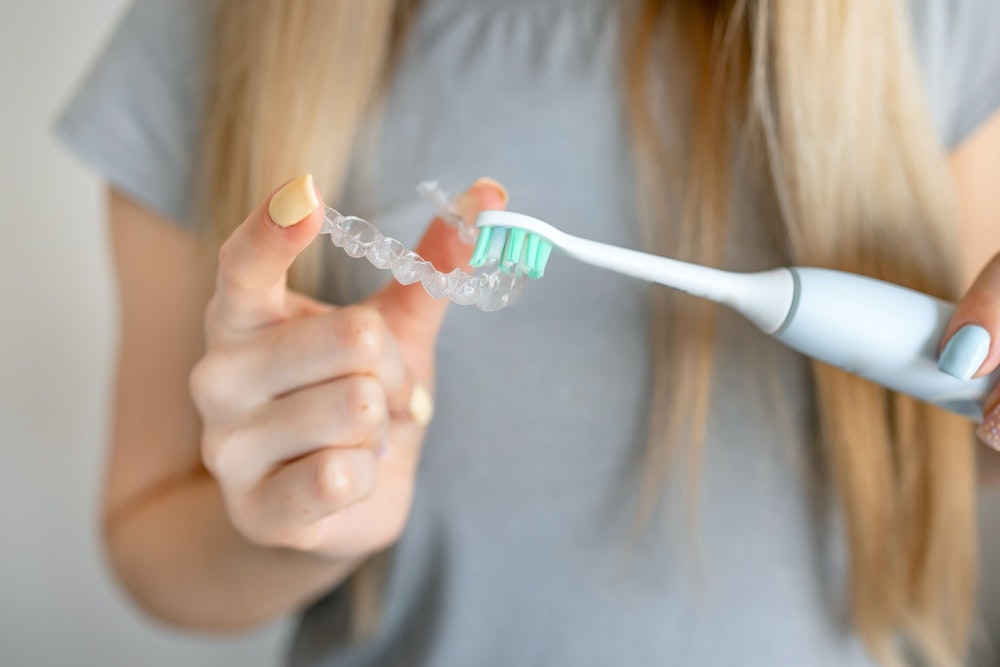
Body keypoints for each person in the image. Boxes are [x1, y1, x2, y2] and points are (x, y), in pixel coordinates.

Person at [57, 0, 1000, 665]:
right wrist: (311, 502)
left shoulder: (925, 18)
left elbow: (959, 446)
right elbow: (150, 549)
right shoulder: (215, 30)